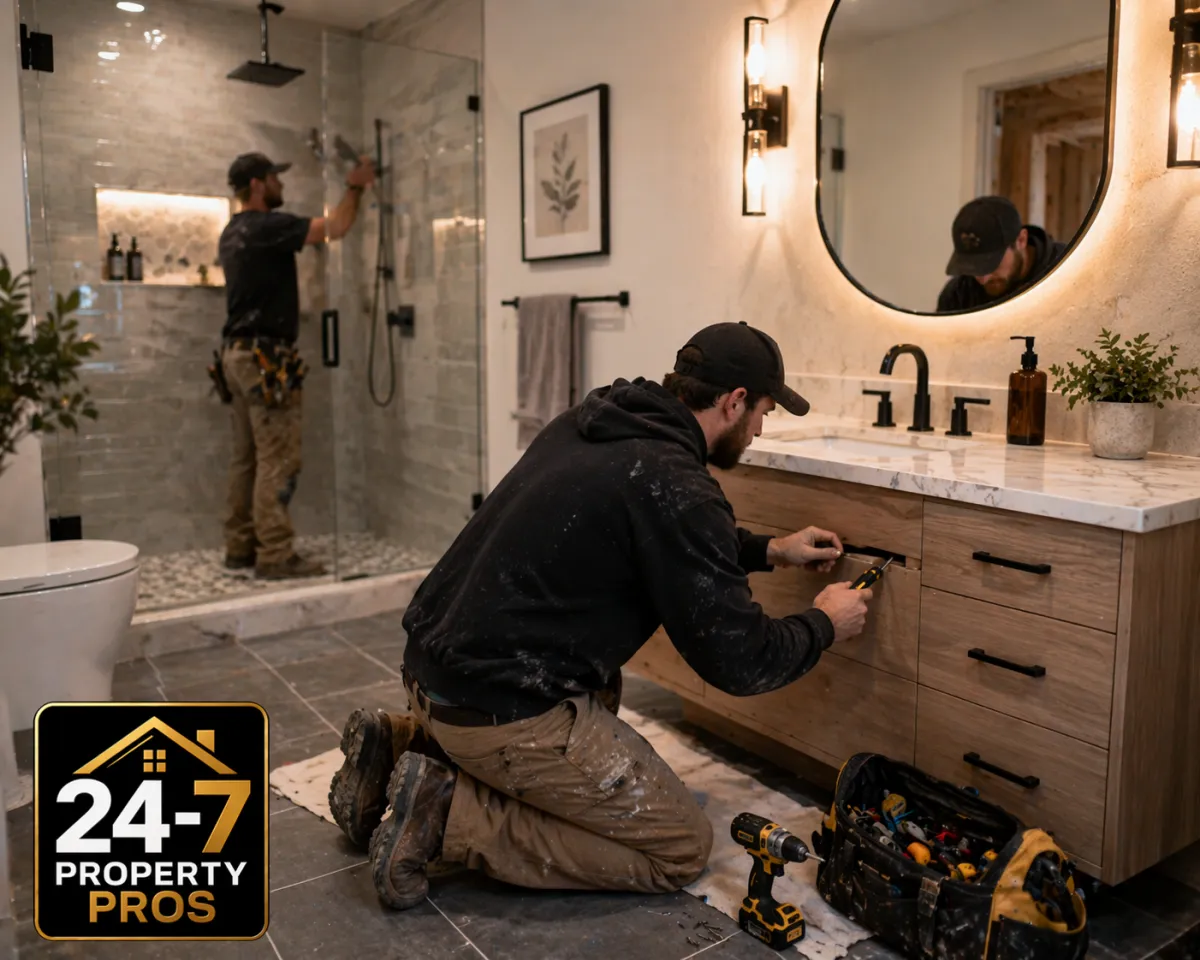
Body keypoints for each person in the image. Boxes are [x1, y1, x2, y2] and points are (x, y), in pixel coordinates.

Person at [327, 321, 875, 909]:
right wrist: (824, 623)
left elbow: (663, 533)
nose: (761, 428)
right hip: (497, 711)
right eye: (764, 412)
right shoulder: (675, 482)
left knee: (602, 691)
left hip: (433, 674)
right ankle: (447, 816)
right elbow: (740, 662)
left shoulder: (598, 421)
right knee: (678, 849)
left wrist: (768, 550)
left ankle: (400, 745)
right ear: (734, 401)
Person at [218, 151, 374, 579]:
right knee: (278, 459)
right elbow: (337, 227)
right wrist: (356, 186)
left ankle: (240, 547)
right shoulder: (267, 226)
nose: (280, 185)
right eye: (274, 177)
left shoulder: (231, 232)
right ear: (256, 185)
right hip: (264, 358)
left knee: (246, 458)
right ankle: (276, 555)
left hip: (235, 354)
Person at [936, 196, 1067, 313]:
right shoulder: (957, 295)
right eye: (973, 267)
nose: (983, 279)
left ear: (1021, 240)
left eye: (991, 263)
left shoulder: (1068, 272)